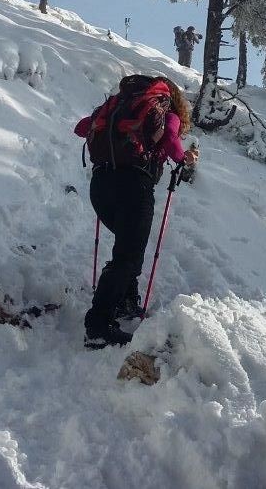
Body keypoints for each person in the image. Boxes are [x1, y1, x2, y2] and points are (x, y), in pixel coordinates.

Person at [82, 77, 198, 348]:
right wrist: (184, 159)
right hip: (133, 185)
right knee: (128, 255)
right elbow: (170, 137)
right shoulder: (166, 113)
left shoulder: (117, 108)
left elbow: (82, 128)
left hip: (99, 186)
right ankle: (98, 324)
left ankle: (124, 302)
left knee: (128, 250)